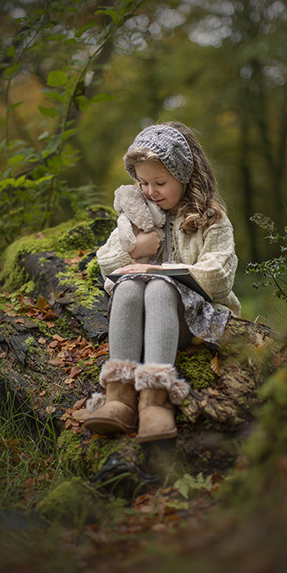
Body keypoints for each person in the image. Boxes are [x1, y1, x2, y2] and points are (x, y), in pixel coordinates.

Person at [86, 122, 240, 443]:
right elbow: (106, 263)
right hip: (144, 321)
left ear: (184, 177)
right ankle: (119, 396)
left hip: (193, 320)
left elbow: (219, 275)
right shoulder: (137, 215)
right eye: (142, 182)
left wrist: (159, 271)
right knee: (127, 287)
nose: (150, 191)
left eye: (160, 182)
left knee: (157, 286)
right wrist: (136, 248)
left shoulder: (210, 218)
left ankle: (156, 399)